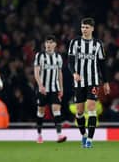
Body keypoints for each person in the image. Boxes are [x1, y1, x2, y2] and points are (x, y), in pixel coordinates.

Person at [68, 17, 110, 148]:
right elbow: (70, 61)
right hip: (79, 82)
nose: (84, 30)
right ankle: (84, 135)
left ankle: (89, 141)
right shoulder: (75, 42)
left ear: (92, 28)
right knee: (79, 112)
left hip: (93, 81)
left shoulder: (98, 44)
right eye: (82, 27)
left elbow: (103, 64)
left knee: (91, 109)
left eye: (86, 27)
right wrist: (74, 73)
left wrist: (106, 82)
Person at [34, 35, 67, 143]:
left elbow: (59, 73)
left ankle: (59, 135)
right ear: (45, 44)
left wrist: (61, 88)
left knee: (56, 110)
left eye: (51, 42)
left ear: (55, 44)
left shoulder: (58, 57)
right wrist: (40, 85)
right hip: (43, 89)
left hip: (54, 88)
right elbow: (36, 72)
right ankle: (39, 135)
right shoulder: (40, 56)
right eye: (47, 42)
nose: (48, 44)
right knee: (41, 112)